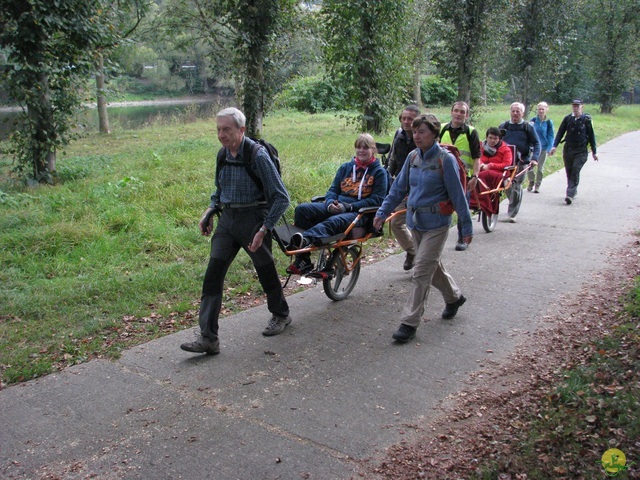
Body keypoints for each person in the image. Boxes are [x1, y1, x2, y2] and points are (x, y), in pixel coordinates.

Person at [180, 107, 292, 355]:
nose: (221, 134)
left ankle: (281, 314)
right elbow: (219, 189)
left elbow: (282, 198)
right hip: (228, 220)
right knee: (213, 274)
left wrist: (265, 228)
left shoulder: (257, 155)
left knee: (265, 269)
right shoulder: (222, 154)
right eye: (218, 129)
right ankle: (209, 337)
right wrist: (209, 211)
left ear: (241, 130)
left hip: (254, 219)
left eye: (226, 129)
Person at [373, 114, 472, 344]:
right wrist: (382, 212)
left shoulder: (444, 160)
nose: (416, 136)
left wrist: (466, 229)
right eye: (415, 131)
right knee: (431, 268)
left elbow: (458, 197)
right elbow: (398, 189)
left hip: (437, 225)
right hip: (416, 223)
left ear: (435, 134)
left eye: (422, 132)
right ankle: (454, 297)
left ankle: (409, 322)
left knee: (420, 272)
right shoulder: (413, 157)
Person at [287, 133, 388, 274]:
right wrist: (329, 203)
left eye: (365, 147)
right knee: (302, 209)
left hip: (360, 212)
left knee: (335, 220)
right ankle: (303, 260)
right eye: (358, 147)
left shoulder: (379, 172)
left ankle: (305, 240)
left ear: (373, 150)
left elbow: (377, 200)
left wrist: (349, 206)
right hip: (337, 205)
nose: (361, 151)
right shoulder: (345, 167)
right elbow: (333, 189)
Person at [440, 101, 481, 251]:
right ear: (451, 112)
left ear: (467, 115)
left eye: (462, 112)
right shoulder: (442, 129)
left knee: (462, 206)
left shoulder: (471, 132)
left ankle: (463, 237)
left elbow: (477, 156)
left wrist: (475, 176)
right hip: (444, 176)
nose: (458, 114)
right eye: (456, 111)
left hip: (465, 177)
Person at [386, 105, 419, 270]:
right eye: (404, 118)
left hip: (420, 187)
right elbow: (392, 158)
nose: (406, 122)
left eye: (410, 119)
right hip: (400, 185)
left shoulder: (422, 137)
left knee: (418, 224)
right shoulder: (398, 135)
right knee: (396, 223)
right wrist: (387, 177)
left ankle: (425, 258)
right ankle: (413, 251)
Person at [549, 99, 598, 205]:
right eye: (574, 106)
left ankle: (569, 194)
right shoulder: (567, 119)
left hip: (581, 151)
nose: (575, 108)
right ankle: (572, 190)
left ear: (582, 107)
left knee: (575, 170)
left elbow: (592, 136)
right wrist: (554, 146)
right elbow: (560, 133)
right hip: (568, 150)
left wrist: (594, 152)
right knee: (569, 171)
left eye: (577, 106)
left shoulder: (586, 120)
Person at [499, 102, 541, 223]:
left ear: (522, 113)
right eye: (513, 111)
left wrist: (534, 158)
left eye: (518, 111)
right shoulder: (504, 126)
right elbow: (495, 141)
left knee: (516, 186)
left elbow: (537, 143)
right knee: (507, 185)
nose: (515, 113)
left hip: (522, 162)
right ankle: (513, 203)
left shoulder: (528, 127)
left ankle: (512, 214)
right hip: (506, 162)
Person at [476, 127, 513, 215]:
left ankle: (485, 203)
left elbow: (507, 164)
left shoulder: (505, 149)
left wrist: (491, 166)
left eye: (495, 138)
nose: (492, 141)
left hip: (498, 173)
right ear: (486, 137)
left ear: (499, 139)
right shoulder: (480, 147)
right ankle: (479, 202)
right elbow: (476, 158)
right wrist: (481, 164)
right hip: (481, 171)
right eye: (490, 138)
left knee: (486, 175)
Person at [527, 102, 555, 193]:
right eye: (539, 109)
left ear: (546, 110)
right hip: (533, 147)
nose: (541, 111)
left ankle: (537, 184)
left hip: (543, 147)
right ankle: (531, 181)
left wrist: (549, 148)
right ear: (537, 110)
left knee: (540, 168)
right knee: (530, 166)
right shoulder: (533, 120)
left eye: (543, 109)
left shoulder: (548, 122)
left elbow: (551, 136)